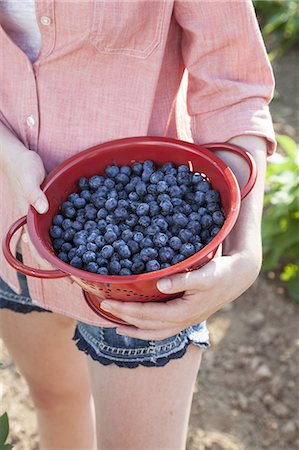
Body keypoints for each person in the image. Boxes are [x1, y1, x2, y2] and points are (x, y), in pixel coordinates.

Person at [0, 1, 276, 449]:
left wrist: (244, 254)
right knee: (55, 401)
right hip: (10, 225)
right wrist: (9, 154)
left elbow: (233, 87)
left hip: (148, 285)